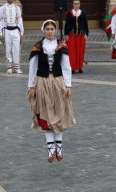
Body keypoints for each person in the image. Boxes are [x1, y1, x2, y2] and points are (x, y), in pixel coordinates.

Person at [27, 19, 75, 163]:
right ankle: (51, 150)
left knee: (58, 114)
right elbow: (32, 68)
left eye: (52, 29)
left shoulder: (61, 46)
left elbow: (66, 67)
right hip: (42, 83)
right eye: (47, 29)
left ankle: (59, 148)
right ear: (44, 31)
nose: (49, 31)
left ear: (55, 30)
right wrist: (32, 86)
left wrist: (68, 86)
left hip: (57, 82)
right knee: (46, 116)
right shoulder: (37, 47)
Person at [0, 0, 24, 74]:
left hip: (15, 30)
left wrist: (21, 33)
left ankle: (17, 67)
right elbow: (1, 21)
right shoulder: (2, 8)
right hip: (6, 30)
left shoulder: (17, 8)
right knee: (8, 49)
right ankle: (9, 66)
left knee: (16, 48)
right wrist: (1, 33)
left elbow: (20, 20)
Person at [64, 0, 89, 74]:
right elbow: (67, 24)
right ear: (73, 5)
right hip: (72, 35)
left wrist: (86, 34)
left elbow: (85, 24)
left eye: (78, 3)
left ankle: (80, 67)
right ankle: (72, 68)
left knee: (80, 52)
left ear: (80, 4)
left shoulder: (83, 13)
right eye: (75, 3)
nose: (76, 5)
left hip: (81, 35)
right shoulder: (69, 13)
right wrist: (66, 34)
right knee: (72, 52)